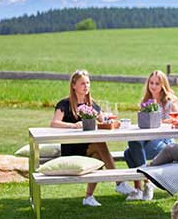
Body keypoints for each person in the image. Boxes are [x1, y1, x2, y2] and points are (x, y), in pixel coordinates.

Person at [49, 69, 135, 206]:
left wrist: (111, 122)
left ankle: (88, 197)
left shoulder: (92, 104)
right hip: (71, 147)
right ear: (73, 86)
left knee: (98, 156)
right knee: (100, 144)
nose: (86, 86)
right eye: (82, 83)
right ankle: (119, 182)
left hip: (88, 147)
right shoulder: (64, 104)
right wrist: (73, 126)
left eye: (88, 83)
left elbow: (103, 120)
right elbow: (54, 123)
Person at [123, 70, 178, 201]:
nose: (153, 86)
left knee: (130, 153)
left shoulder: (169, 102)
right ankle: (143, 186)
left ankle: (143, 186)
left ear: (163, 85)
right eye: (151, 83)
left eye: (157, 83)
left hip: (165, 141)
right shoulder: (145, 101)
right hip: (147, 139)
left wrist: (162, 121)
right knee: (130, 148)